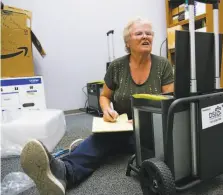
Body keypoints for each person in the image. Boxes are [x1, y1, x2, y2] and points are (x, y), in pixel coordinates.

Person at [20, 17, 174, 195]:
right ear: (127, 41)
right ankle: (63, 174)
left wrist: (142, 122)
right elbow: (105, 97)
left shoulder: (163, 65)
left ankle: (81, 152)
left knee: (101, 145)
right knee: (102, 139)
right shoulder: (117, 67)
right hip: (122, 129)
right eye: (139, 33)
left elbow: (167, 103)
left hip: (151, 133)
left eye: (149, 33)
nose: (145, 36)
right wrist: (107, 109)